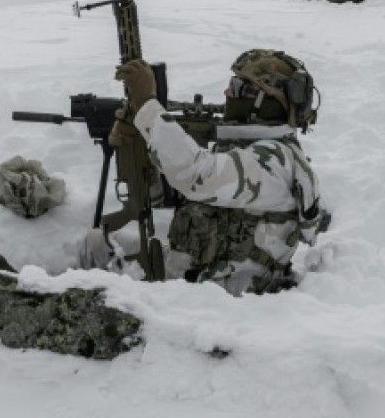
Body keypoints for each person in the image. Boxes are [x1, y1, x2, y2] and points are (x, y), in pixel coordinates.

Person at [82, 49, 330, 294]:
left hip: (224, 301)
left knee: (96, 263)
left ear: (266, 102)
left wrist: (147, 106)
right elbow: (176, 196)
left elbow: (195, 175)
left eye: (240, 88)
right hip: (203, 279)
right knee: (96, 245)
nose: (228, 93)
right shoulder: (254, 152)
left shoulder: (273, 162)